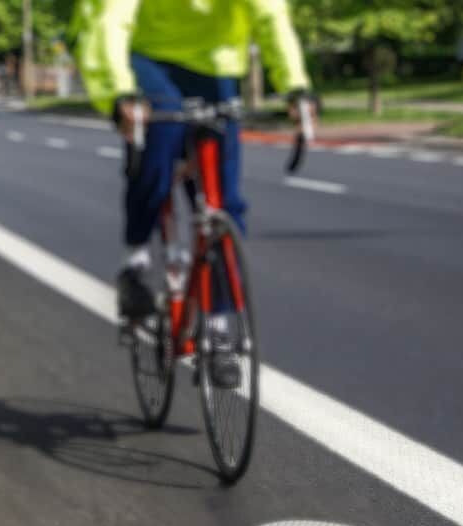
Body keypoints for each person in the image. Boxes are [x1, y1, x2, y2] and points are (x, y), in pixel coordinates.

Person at [72, 0, 315, 320]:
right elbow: (112, 20)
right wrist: (121, 92)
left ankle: (220, 323)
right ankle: (137, 259)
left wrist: (295, 87)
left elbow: (271, 15)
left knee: (225, 201)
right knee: (158, 141)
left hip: (217, 63)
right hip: (151, 56)